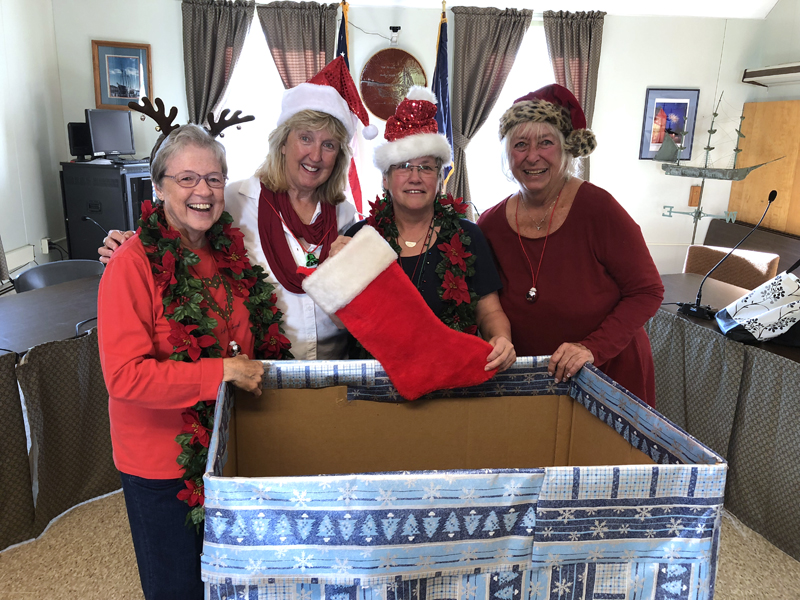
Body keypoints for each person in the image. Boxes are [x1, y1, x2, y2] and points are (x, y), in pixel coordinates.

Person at [99, 57, 377, 360]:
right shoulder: (233, 200)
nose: (315, 155)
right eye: (305, 138)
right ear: (283, 143)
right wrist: (131, 244)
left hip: (333, 367)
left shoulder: (345, 215)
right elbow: (176, 229)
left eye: (329, 145)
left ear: (338, 156)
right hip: (262, 370)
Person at [97, 125, 267, 599]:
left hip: (224, 448)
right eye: (187, 178)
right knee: (177, 588)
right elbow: (124, 377)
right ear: (158, 186)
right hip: (161, 462)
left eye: (214, 179)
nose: (203, 191)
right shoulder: (131, 264)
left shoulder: (227, 252)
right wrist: (224, 372)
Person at [477, 84, 664, 406]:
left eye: (545, 143)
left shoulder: (599, 210)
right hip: (532, 379)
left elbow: (647, 291)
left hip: (607, 372)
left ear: (567, 149)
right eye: (520, 144)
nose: (532, 156)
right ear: (508, 154)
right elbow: (484, 301)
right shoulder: (490, 225)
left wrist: (592, 347)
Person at [337, 87, 515, 373]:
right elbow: (341, 319)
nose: (415, 177)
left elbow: (490, 310)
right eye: (404, 167)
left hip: (451, 377)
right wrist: (336, 272)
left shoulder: (469, 236)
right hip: (375, 382)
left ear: (439, 177)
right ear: (386, 178)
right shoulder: (360, 237)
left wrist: (501, 339)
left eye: (427, 167)